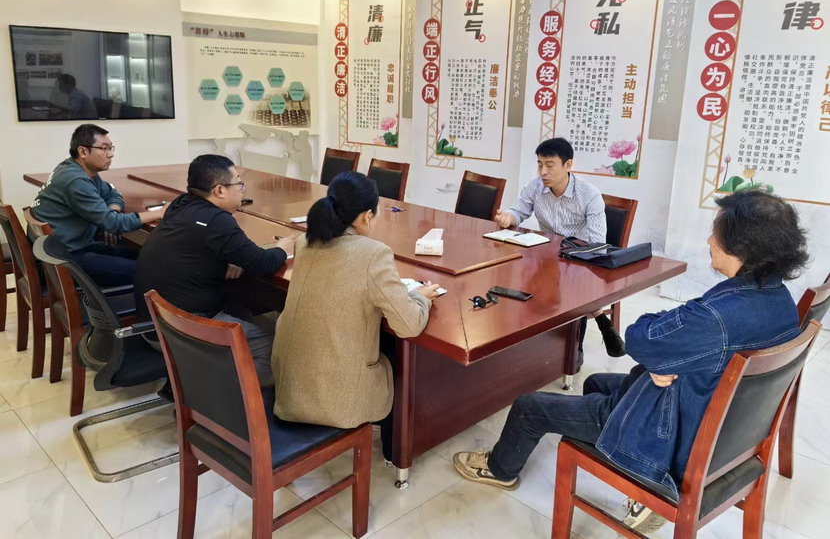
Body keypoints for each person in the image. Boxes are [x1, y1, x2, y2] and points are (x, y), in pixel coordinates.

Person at [453, 189, 808, 533]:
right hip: (715, 421)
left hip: (672, 432)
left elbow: (639, 337)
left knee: (529, 407)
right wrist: (668, 360)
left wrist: (664, 354)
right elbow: (683, 346)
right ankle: (627, 471)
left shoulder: (715, 319)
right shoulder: (780, 301)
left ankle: (500, 470)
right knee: (595, 382)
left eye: (715, 233)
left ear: (739, 245)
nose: (709, 241)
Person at [271, 171, 441, 461]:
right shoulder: (373, 254)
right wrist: (419, 297)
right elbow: (409, 325)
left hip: (290, 388)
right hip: (336, 400)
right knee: (399, 352)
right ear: (366, 216)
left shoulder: (305, 242)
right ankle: (395, 452)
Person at [134, 155, 294, 386]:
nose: (242, 190)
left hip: (157, 323)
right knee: (279, 348)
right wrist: (283, 249)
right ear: (219, 190)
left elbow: (196, 249)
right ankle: (211, 392)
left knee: (243, 306)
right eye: (239, 184)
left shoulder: (179, 205)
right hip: (181, 331)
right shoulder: (217, 221)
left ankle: (208, 377)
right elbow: (262, 263)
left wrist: (228, 258)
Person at [495, 137, 624, 361]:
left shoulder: (588, 194)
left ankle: (574, 351)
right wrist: (508, 217)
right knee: (521, 276)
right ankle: (597, 319)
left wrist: (578, 263)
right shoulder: (535, 187)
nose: (543, 172)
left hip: (580, 257)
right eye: (539, 165)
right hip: (548, 255)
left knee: (572, 287)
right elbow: (518, 211)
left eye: (550, 165)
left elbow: (597, 243)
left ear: (568, 165)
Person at [31, 124, 165, 287]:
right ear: (83, 152)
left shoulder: (76, 169)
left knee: (151, 258)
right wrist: (160, 212)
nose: (111, 154)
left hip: (71, 249)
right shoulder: (76, 181)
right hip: (68, 260)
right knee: (154, 272)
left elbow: (113, 194)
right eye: (104, 148)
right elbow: (115, 224)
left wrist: (111, 211)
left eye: (111, 148)